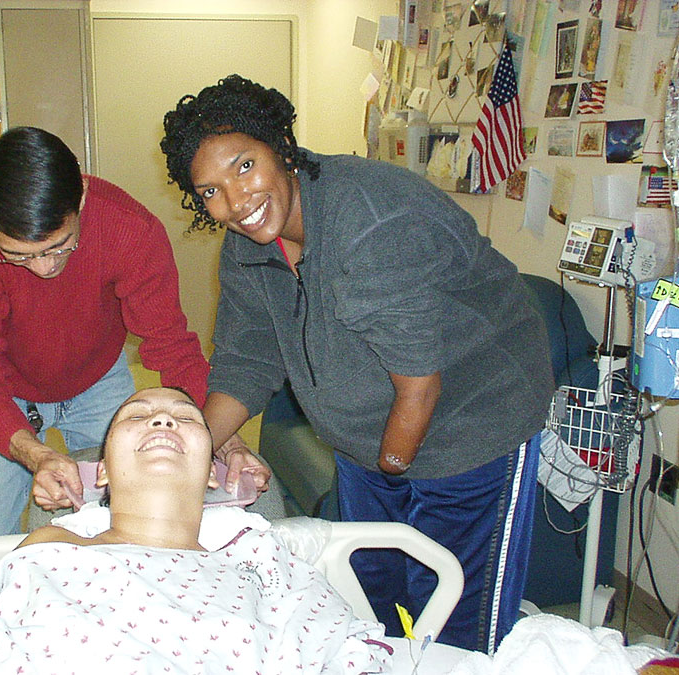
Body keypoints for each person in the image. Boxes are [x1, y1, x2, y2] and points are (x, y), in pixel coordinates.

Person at [160, 74, 554, 652]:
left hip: (471, 425)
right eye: (210, 190)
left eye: (244, 167)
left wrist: (389, 467)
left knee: (453, 617)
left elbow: (418, 387)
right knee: (372, 598)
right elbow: (247, 359)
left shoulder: (371, 220)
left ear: (281, 147)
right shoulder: (248, 245)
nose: (235, 202)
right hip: (370, 440)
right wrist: (189, 457)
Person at [0, 387, 391, 674]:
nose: (162, 418)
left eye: (186, 417)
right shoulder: (51, 547)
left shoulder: (260, 560)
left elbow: (345, 650)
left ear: (212, 470)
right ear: (100, 472)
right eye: (137, 416)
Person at [0, 126, 216, 538]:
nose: (44, 268)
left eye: (59, 246)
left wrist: (219, 437)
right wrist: (35, 454)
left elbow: (171, 345)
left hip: (99, 377)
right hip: (3, 388)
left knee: (133, 523)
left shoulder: (128, 227)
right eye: (17, 256)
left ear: (80, 198)